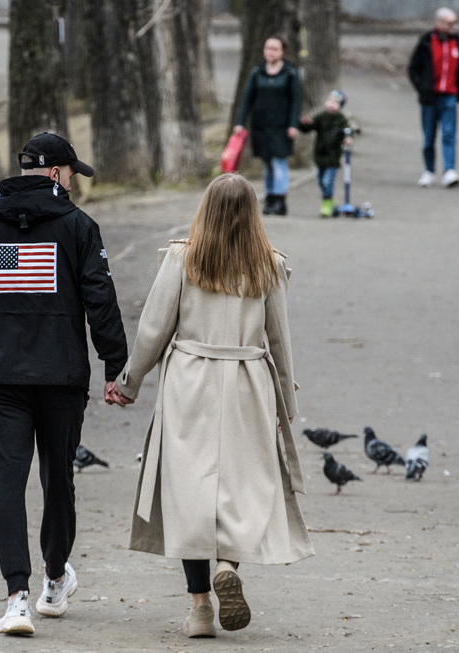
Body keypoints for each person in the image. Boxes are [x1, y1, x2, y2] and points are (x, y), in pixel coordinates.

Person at [107, 173, 314, 638]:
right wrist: (287, 401)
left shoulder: (182, 258)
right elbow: (279, 340)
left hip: (190, 381)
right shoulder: (269, 266)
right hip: (248, 381)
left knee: (191, 496)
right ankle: (229, 565)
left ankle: (200, 607)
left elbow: (154, 328)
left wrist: (129, 382)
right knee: (243, 488)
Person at [0, 132, 128, 636]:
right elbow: (101, 298)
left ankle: (16, 598)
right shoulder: (78, 227)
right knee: (58, 479)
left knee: (5, 486)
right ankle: (54, 580)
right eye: (72, 173)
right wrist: (116, 366)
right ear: (54, 173)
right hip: (62, 377)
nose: (74, 182)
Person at [233, 36, 303, 216]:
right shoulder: (257, 71)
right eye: (268, 48)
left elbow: (296, 100)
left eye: (274, 49)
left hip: (282, 126)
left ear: (282, 52)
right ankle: (270, 198)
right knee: (266, 163)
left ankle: (280, 200)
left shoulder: (290, 72)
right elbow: (247, 98)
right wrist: (240, 122)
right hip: (261, 125)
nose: (270, 52)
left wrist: (293, 124)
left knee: (279, 162)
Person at [408, 7, 459, 188]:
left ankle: (449, 170)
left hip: (449, 95)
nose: (453, 26)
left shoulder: (457, 41)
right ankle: (429, 171)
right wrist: (422, 88)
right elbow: (413, 68)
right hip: (430, 97)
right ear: (439, 23)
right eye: (450, 23)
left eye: (455, 23)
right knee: (428, 136)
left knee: (449, 134)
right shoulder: (426, 41)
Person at [299, 89, 354, 217]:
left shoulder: (341, 119)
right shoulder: (321, 117)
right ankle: (330, 201)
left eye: (335, 102)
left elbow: (348, 131)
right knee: (320, 181)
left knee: (327, 181)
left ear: (340, 106)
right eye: (329, 100)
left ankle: (327, 204)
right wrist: (304, 123)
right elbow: (309, 127)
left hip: (333, 157)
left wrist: (348, 138)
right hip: (320, 156)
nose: (331, 104)